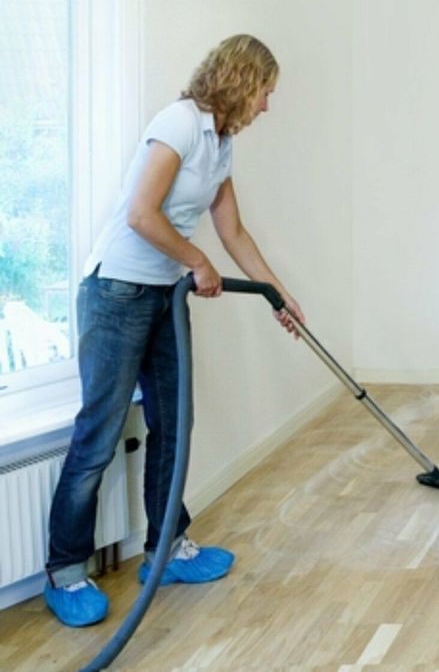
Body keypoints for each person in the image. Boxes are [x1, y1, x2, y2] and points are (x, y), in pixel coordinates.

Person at [44, 34, 304, 627]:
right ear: (244, 81)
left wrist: (277, 294)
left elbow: (233, 233)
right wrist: (196, 260)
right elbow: (141, 214)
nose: (268, 104)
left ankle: (166, 547)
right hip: (115, 293)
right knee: (99, 435)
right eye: (267, 90)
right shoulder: (179, 123)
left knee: (173, 425)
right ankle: (65, 571)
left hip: (163, 297)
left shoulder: (222, 144)